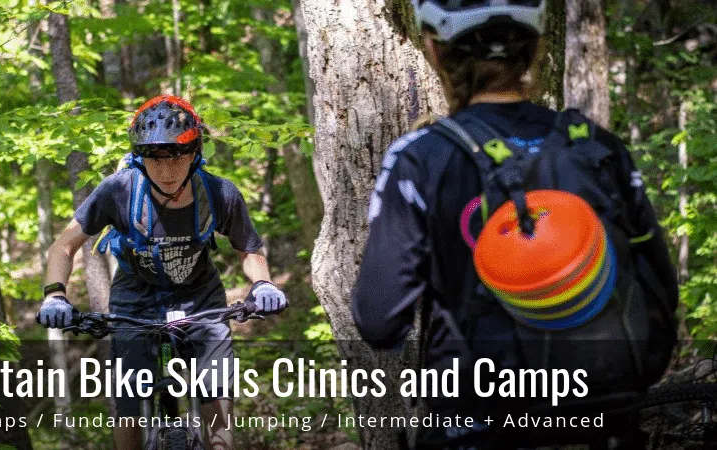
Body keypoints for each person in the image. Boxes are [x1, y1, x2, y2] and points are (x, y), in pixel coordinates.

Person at [352, 1, 678, 448]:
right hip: (604, 420)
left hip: (477, 425)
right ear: (537, 48)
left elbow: (379, 320)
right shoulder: (599, 147)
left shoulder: (421, 158)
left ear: (436, 51)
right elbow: (660, 290)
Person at [37, 95, 288, 450]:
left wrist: (263, 284)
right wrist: (55, 295)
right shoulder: (119, 190)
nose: (166, 171)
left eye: (177, 157)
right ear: (140, 157)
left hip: (200, 299)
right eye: (155, 159)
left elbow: (248, 248)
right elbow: (63, 245)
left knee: (218, 404)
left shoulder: (219, 193)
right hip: (135, 299)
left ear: (195, 152)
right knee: (128, 404)